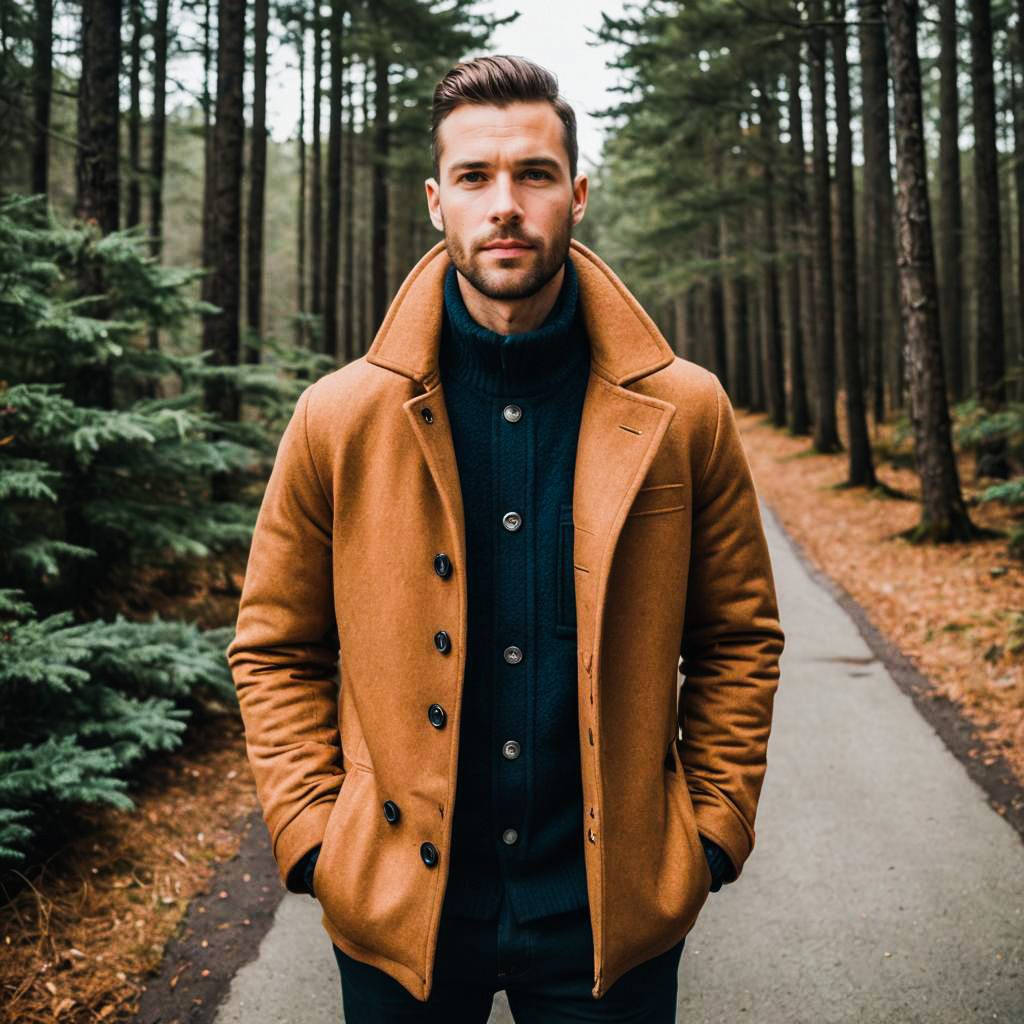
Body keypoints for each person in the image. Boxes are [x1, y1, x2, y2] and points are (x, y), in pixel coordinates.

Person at [227, 54, 784, 1024]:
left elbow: (738, 635)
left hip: (611, 918)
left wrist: (710, 830)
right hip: (399, 910)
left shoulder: (683, 411)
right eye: (476, 178)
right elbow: (274, 646)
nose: (505, 205)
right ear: (437, 201)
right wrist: (315, 838)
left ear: (575, 193)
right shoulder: (339, 418)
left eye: (532, 174)